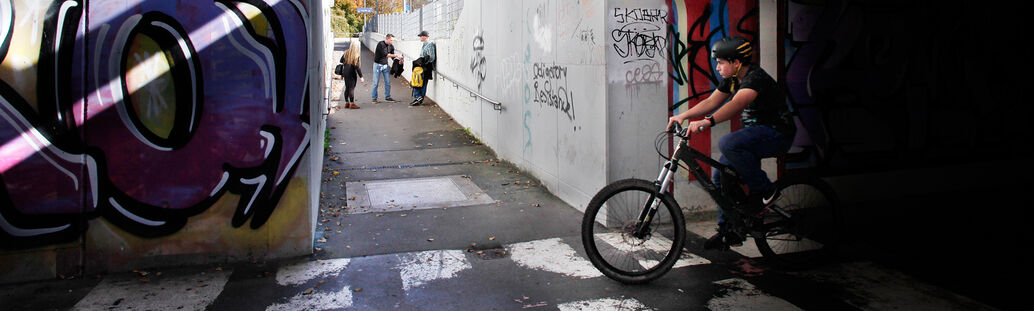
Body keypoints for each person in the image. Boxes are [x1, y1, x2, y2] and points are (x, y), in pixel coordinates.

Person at [665, 36, 796, 250]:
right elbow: (712, 101)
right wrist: (683, 116)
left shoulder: (755, 78)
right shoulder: (732, 79)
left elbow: (736, 104)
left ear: (736, 63)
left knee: (728, 143)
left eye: (721, 62)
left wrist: (707, 123)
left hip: (776, 134)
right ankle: (730, 230)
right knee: (721, 176)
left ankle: (766, 191)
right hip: (755, 136)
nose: (717, 67)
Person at [372, 34, 401, 102]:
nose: (392, 42)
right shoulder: (381, 44)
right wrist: (397, 55)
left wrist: (398, 61)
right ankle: (374, 98)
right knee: (375, 82)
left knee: (387, 82)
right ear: (387, 39)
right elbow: (386, 55)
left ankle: (387, 97)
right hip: (377, 65)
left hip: (385, 66)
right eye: (391, 40)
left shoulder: (391, 46)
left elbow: (392, 57)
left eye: (393, 40)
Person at [410, 30, 436, 106]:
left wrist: (422, 63)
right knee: (420, 81)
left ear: (425, 36)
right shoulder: (425, 44)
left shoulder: (429, 45)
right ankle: (419, 98)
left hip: (426, 67)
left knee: (421, 82)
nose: (420, 37)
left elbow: (431, 57)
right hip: (423, 66)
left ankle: (418, 97)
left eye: (421, 36)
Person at [338, 40, 365, 109]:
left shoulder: (346, 52)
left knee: (347, 87)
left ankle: (347, 102)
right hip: (351, 73)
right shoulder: (356, 55)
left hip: (345, 71)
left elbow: (341, 60)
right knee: (351, 88)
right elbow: (357, 67)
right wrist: (361, 77)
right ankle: (352, 103)